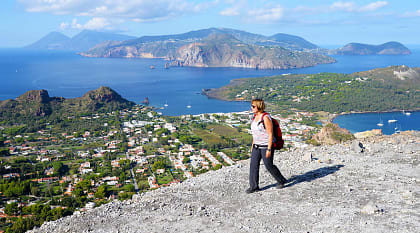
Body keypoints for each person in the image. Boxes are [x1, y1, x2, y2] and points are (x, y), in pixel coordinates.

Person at [246, 98, 287, 193]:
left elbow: (270, 134)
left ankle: (281, 180)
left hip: (266, 146)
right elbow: (255, 133)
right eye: (251, 106)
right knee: (253, 166)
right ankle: (254, 186)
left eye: (253, 106)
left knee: (269, 165)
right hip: (256, 145)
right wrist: (253, 145)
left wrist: (269, 149)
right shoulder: (254, 117)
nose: (251, 108)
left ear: (259, 106)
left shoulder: (265, 117)